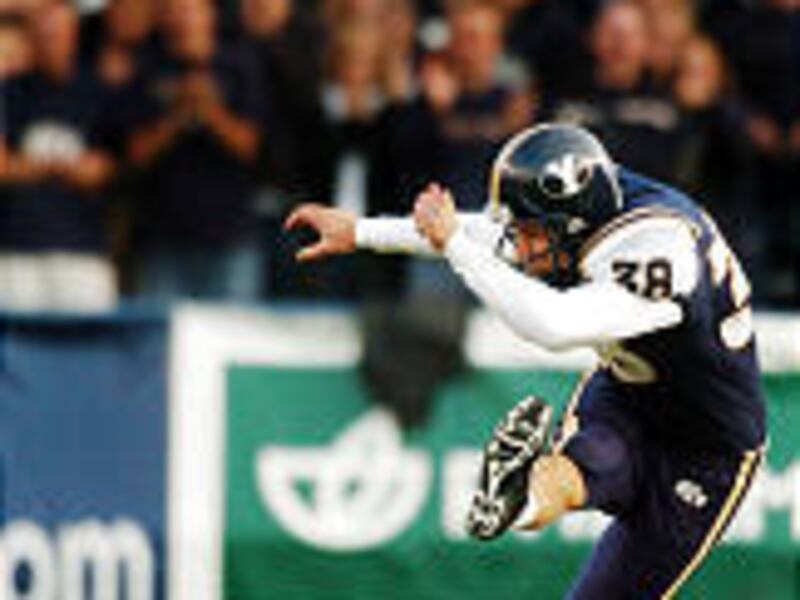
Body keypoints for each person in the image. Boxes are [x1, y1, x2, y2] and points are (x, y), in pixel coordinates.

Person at [284, 123, 766, 598]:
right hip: (629, 391)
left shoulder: (659, 250)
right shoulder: (585, 202)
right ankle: (518, 498)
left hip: (707, 448)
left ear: (575, 219)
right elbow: (490, 233)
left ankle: (521, 500)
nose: (523, 248)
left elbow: (553, 325)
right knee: (586, 466)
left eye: (534, 234)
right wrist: (361, 231)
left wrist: (453, 245)